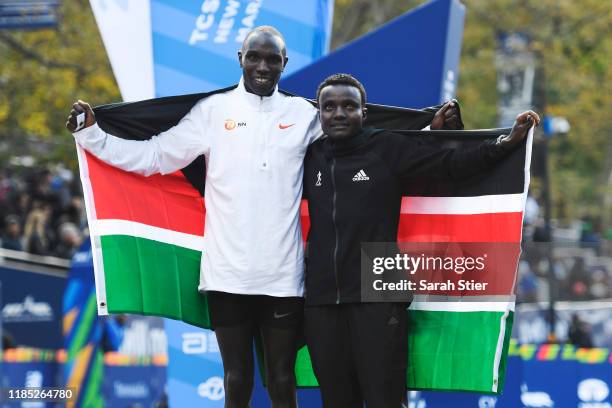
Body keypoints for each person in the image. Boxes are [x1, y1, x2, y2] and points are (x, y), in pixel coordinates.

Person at [66, 27, 461, 407]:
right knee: (236, 382)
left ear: (284, 63)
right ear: (240, 58)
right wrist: (92, 135)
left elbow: (366, 134)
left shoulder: (304, 115)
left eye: (272, 59)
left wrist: (428, 127)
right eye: (254, 57)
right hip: (226, 275)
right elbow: (152, 156)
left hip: (283, 278)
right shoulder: (212, 111)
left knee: (281, 382)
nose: (262, 66)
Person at [302, 73, 539, 407]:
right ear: (320, 114)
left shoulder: (386, 148)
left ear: (364, 113)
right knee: (337, 400)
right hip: (322, 295)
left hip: (379, 283)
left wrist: (503, 144)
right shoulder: (309, 156)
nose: (338, 113)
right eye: (329, 107)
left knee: (385, 397)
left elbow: (451, 164)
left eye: (348, 106)